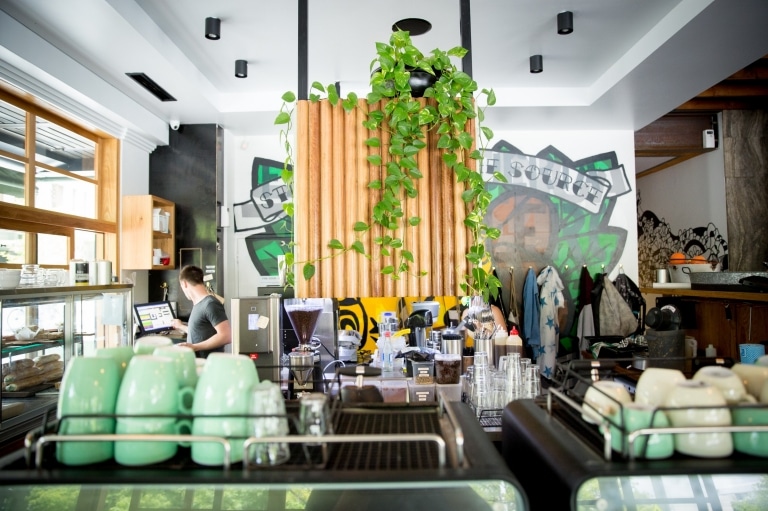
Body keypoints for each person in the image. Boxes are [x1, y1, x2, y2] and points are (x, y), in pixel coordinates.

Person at [171, 265, 231, 358]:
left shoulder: (210, 304)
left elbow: (226, 336)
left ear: (185, 284)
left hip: (208, 366)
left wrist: (195, 347)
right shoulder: (199, 304)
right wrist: (180, 326)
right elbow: (199, 333)